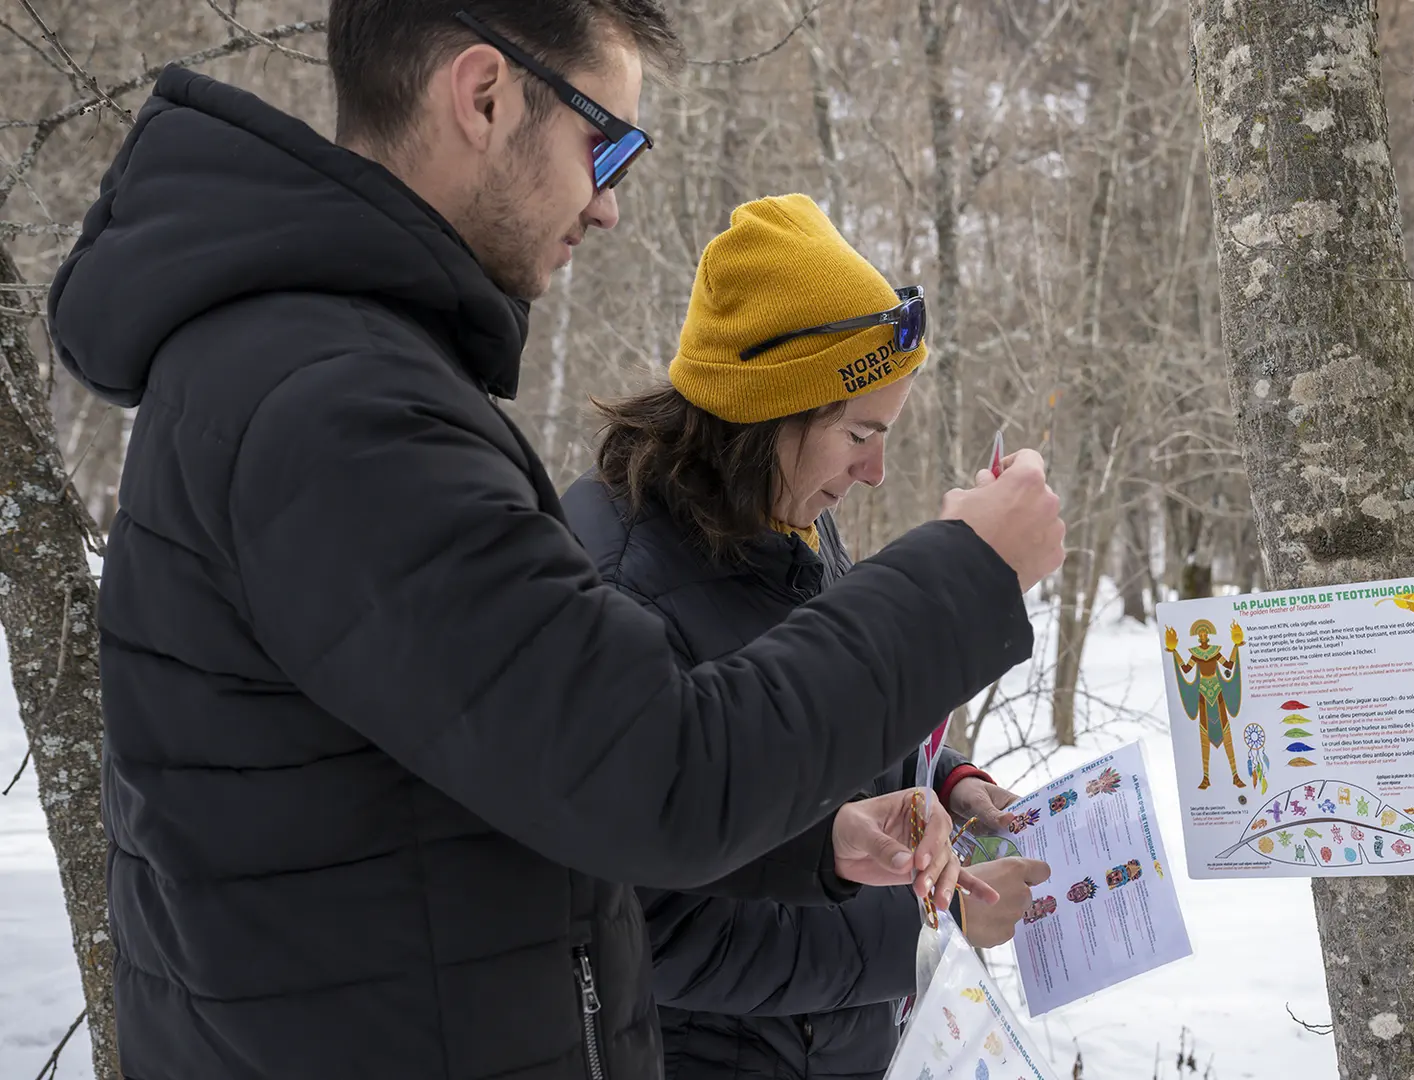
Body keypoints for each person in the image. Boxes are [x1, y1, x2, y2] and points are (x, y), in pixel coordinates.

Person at [43, 1, 1065, 1077]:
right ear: (483, 95)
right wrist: (968, 572)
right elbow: (658, 774)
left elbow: (524, 777)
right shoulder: (341, 411)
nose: (610, 203)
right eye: (604, 142)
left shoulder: (326, 371)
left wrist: (821, 842)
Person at [563, 193, 1052, 1080]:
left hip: (834, 1047)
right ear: (765, 413)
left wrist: (946, 780)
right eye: (860, 434)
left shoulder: (782, 513)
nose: (875, 473)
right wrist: (918, 927)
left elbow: (824, 714)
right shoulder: (622, 587)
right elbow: (650, 927)